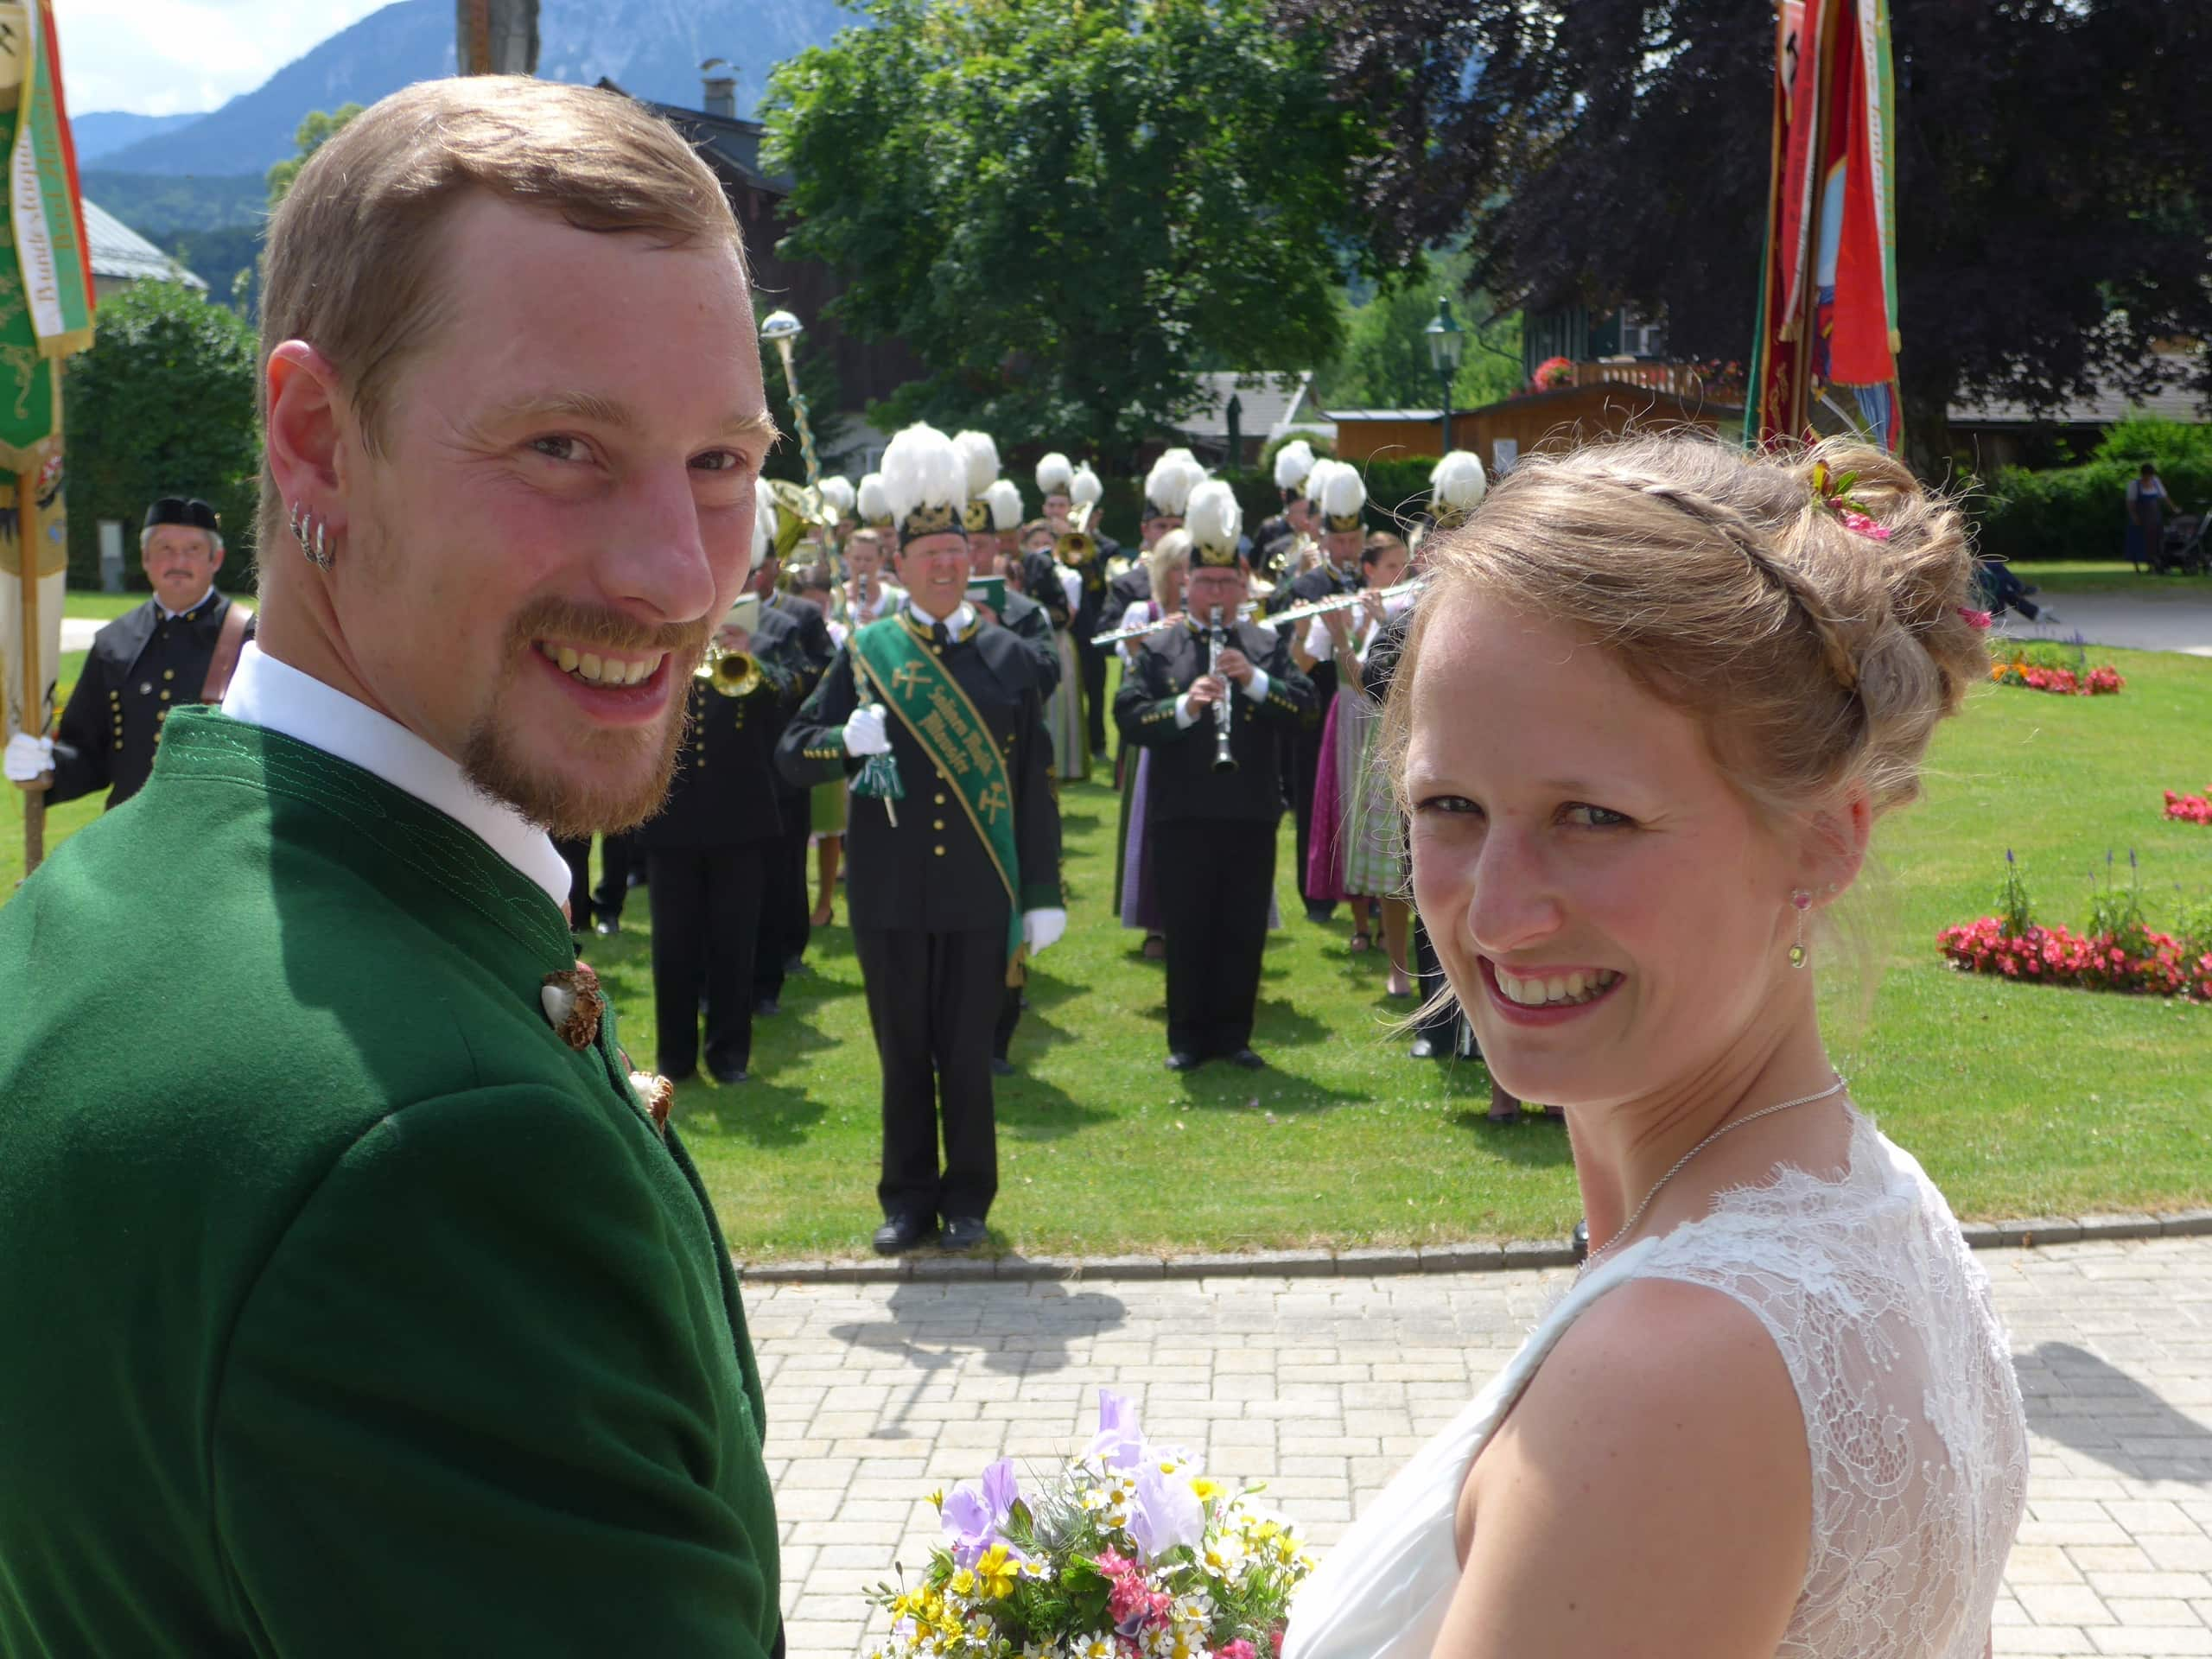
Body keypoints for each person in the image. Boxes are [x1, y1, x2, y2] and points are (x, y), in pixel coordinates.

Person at [0, 77, 785, 1655]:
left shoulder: (84, 908)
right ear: (315, 442)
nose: (679, 570)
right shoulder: (448, 1159)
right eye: (564, 446)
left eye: (720, 461)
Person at [1282, 433, 2026, 1659]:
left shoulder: (1668, 1380)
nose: (1500, 910)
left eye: (1593, 817)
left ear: (1824, 841)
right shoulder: (1873, 1208)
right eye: (1450, 807)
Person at [777, 422, 1064, 1255]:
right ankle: (906, 1201)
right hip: (890, 895)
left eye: (956, 551)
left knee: (967, 1054)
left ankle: (969, 1198)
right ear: (899, 564)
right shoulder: (867, 655)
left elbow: (1031, 791)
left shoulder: (1011, 657)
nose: (943, 564)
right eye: (928, 553)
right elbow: (791, 755)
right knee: (903, 1051)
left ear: (972, 558)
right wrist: (846, 741)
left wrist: (1042, 893)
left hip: (980, 892)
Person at [1116, 480, 1314, 1071]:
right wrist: (1186, 707)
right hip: (1181, 811)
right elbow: (1129, 716)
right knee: (1188, 924)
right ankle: (1186, 1037)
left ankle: (1234, 1034)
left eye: (1228, 583)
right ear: (1186, 583)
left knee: (1241, 924)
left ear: (1242, 584)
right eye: (1206, 582)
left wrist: (1253, 681)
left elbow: (1304, 709)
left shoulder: (1263, 642)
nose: (1217, 592)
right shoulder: (1162, 646)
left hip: (1250, 808)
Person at [638, 557, 810, 1086]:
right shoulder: (661, 630)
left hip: (742, 821)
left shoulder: (766, 635)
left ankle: (729, 1054)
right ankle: (675, 1057)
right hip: (674, 820)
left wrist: (748, 656)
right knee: (674, 945)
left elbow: (794, 691)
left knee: (735, 942)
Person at [5, 497, 254, 809]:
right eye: (165, 549)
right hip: (129, 839)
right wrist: (47, 764)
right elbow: (88, 752)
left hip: (217, 839)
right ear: (146, 557)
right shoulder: (113, 642)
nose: (179, 561)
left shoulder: (251, 640)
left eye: (193, 549)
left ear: (215, 560)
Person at [1298, 530, 1414, 993]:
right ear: (1370, 571)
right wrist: (1325, 631)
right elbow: (1311, 667)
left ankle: (1393, 943)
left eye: (1404, 564)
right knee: (1365, 835)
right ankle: (1368, 931)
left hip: (1394, 730)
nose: (1401, 575)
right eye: (1391, 567)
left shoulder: (1405, 610)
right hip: (1360, 728)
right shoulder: (1362, 610)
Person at [1267, 459, 1367, 924]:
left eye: (1353, 540)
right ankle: (1317, 895)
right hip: (1315, 703)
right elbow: (1291, 664)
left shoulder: (1373, 579)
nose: (1346, 550)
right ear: (1322, 539)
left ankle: (1364, 888)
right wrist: (1318, 631)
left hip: (1364, 701)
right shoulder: (1304, 585)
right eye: (1338, 541)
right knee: (1312, 794)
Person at [1110, 529, 1192, 958]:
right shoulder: (1143, 610)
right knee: (1150, 825)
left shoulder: (1212, 611)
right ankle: (1154, 925)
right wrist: (1139, 644)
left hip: (1199, 728)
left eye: (1188, 567)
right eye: (1175, 568)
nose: (1183, 576)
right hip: (1156, 733)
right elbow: (1130, 680)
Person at [786, 560, 851, 926]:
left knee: (829, 825)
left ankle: (825, 902)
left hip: (825, 731)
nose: (816, 610)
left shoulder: (840, 633)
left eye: (821, 602)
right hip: (792, 733)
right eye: (809, 602)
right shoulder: (789, 631)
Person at [1249, 438, 1319, 580]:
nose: (1307, 519)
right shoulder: (1270, 529)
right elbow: (1255, 568)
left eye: (1310, 511)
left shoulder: (1317, 529)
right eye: (1304, 512)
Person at [843, 524, 903, 625]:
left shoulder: (899, 599)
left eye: (868, 559)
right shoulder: (834, 596)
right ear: (847, 557)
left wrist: (878, 629)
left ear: (881, 560)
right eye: (857, 559)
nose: (862, 565)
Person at [2126, 461, 2172, 569]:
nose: (2149, 477)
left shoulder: (2156, 482)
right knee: (2144, 541)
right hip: (2142, 516)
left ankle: (2159, 561)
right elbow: (2130, 503)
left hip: (2155, 516)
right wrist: (2134, 516)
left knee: (2158, 539)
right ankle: (2146, 562)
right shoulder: (2134, 484)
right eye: (2147, 475)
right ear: (2143, 474)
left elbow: (2165, 497)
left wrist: (2173, 509)